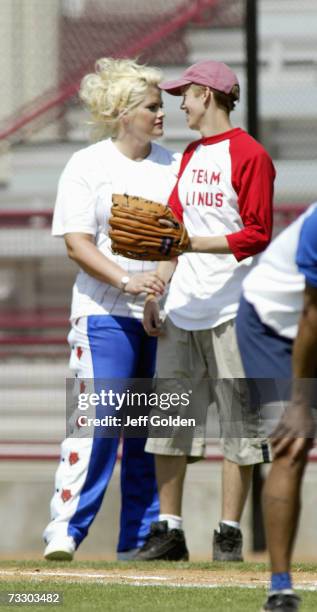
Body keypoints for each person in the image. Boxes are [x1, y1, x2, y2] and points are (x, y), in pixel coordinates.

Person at [136, 60, 275, 562]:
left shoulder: (251, 155)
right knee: (168, 421)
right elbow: (174, 231)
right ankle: (169, 530)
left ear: (208, 96)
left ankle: (228, 534)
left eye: (186, 96)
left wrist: (196, 241)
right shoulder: (190, 155)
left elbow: (257, 233)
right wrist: (156, 290)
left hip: (234, 311)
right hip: (183, 310)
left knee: (239, 428)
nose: (180, 105)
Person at [43, 57, 180, 561]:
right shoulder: (87, 164)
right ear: (124, 113)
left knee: (151, 434)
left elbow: (175, 246)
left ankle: (140, 543)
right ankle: (64, 530)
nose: (161, 114)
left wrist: (156, 290)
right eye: (151, 106)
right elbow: (77, 244)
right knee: (96, 425)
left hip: (157, 317)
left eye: (162, 105)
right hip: (102, 315)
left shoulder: (172, 165)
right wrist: (127, 281)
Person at [236, 203, 317, 612]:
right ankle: (280, 588)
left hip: (309, 324)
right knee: (293, 444)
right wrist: (301, 403)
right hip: (272, 326)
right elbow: (311, 316)